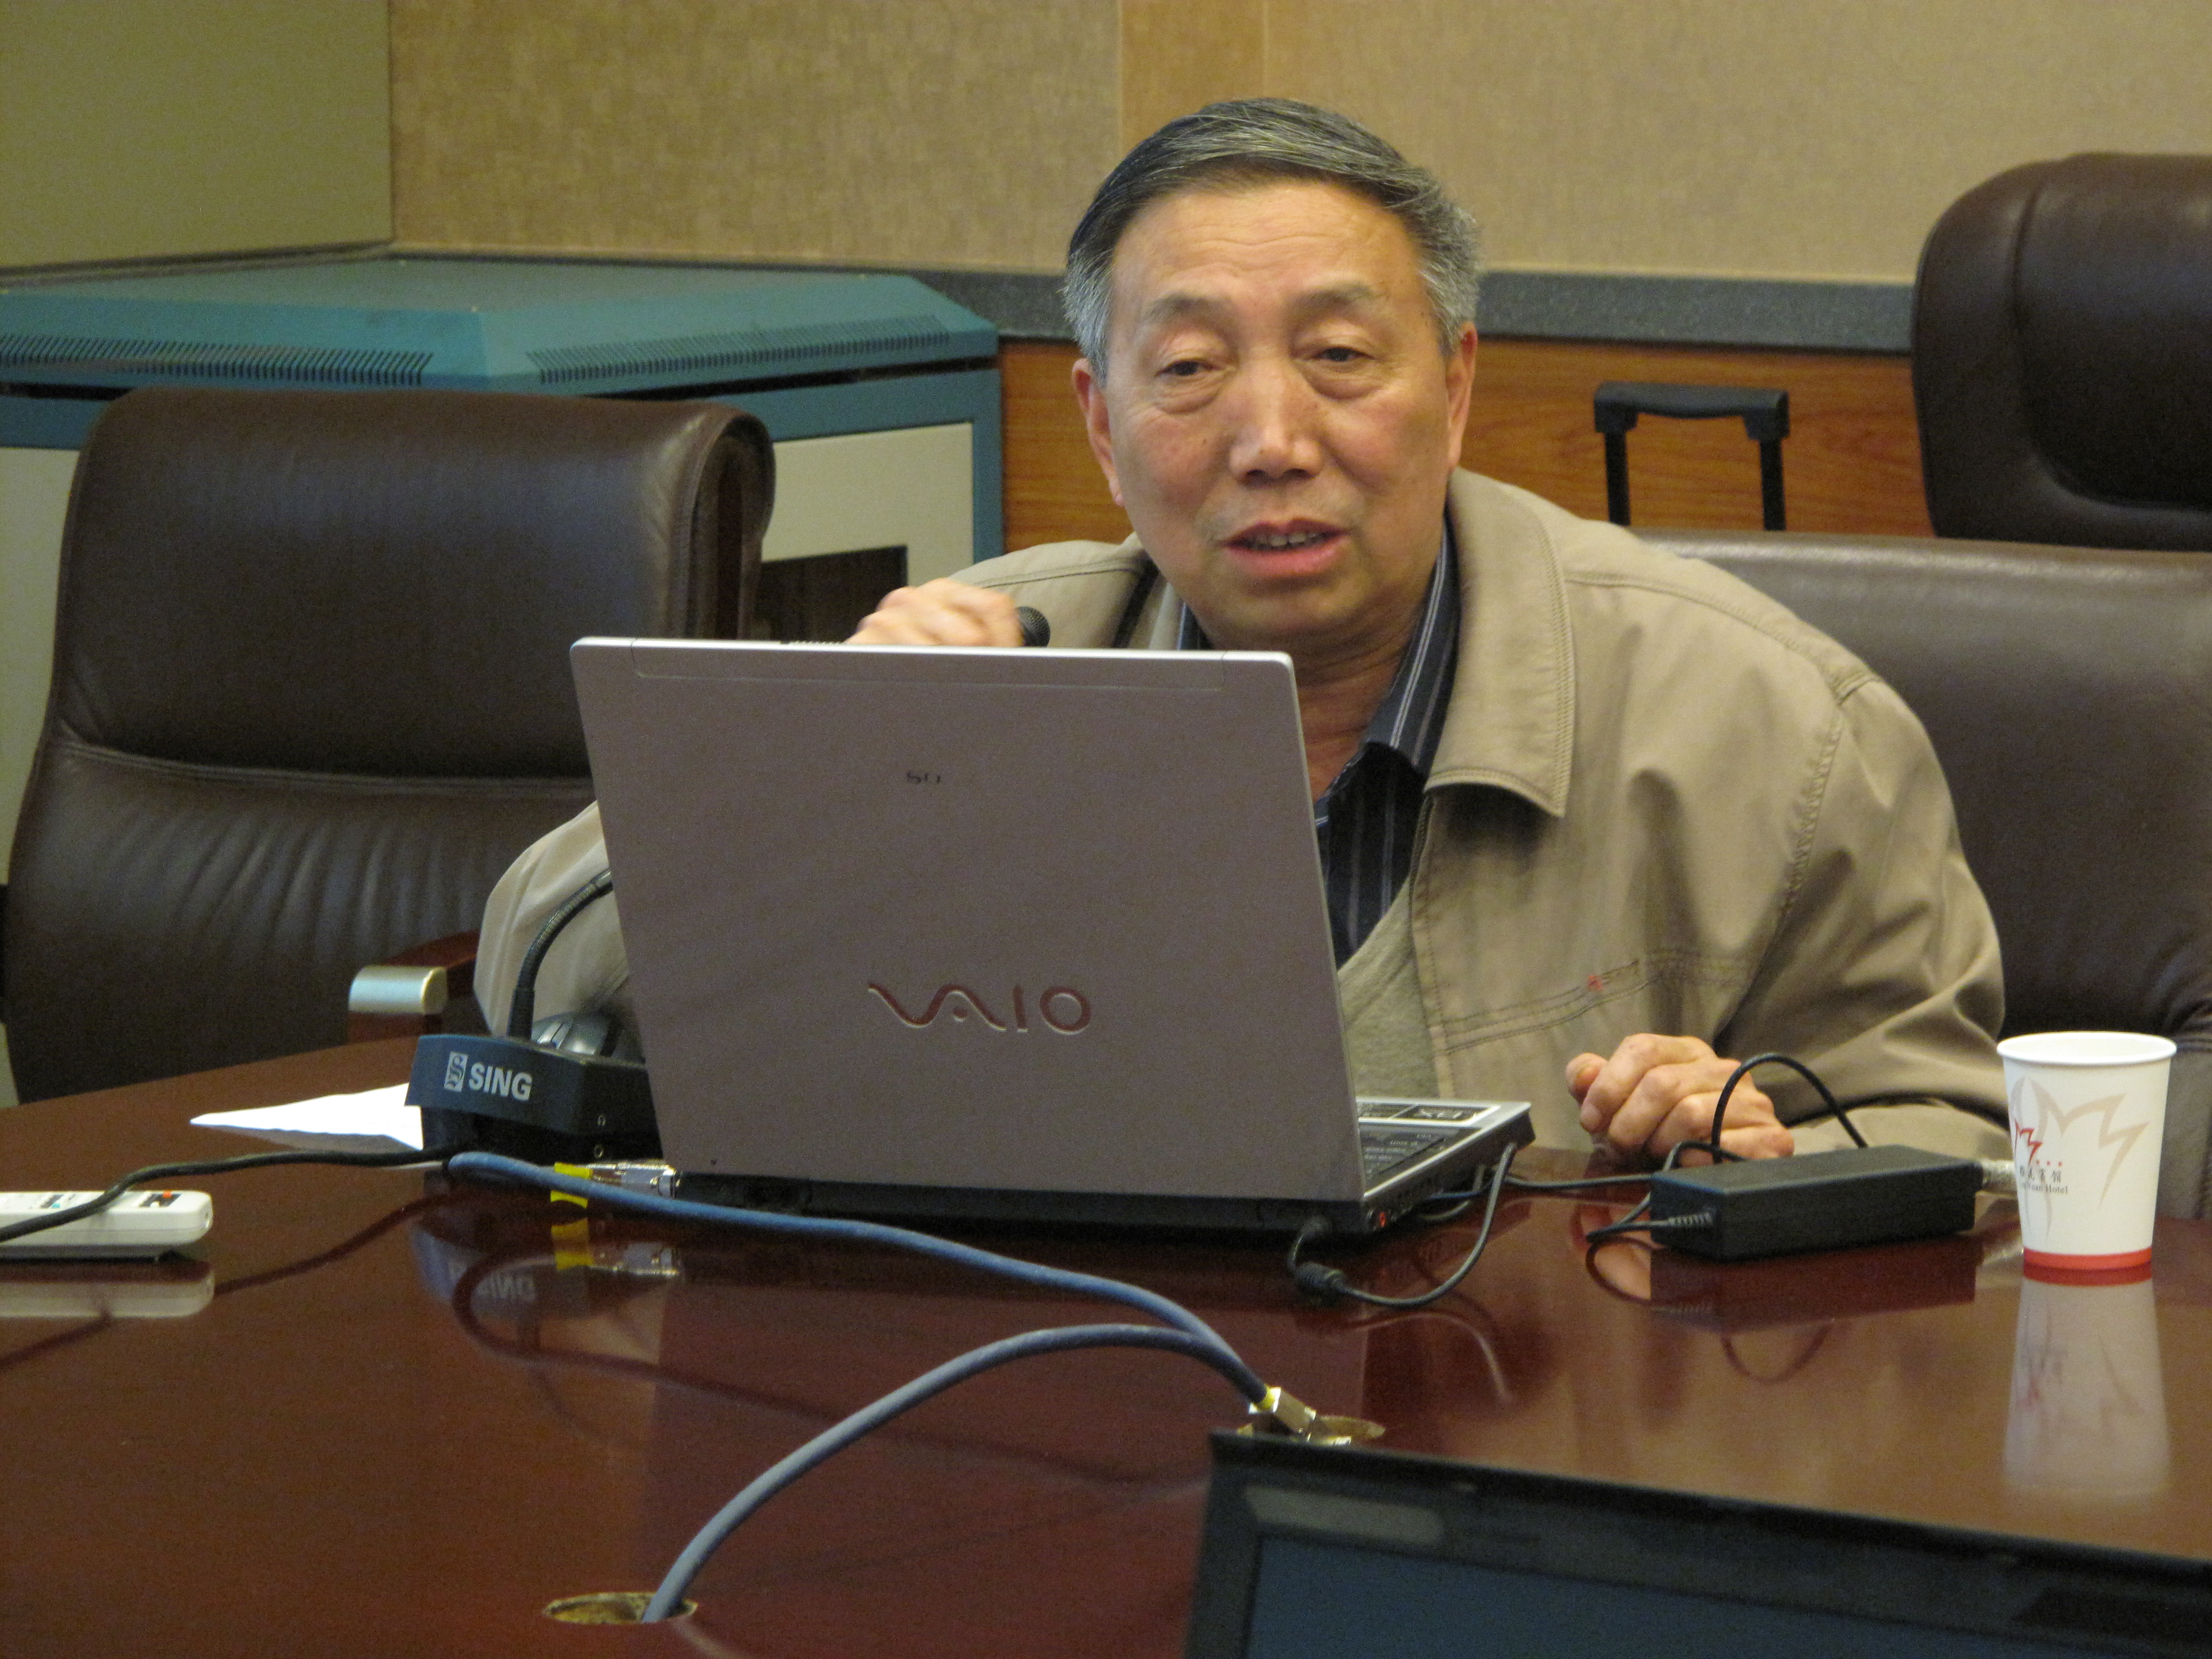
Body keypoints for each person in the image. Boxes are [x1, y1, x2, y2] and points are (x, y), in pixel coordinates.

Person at [479, 99, 2009, 1166]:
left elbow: (1969, 1150)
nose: (1272, 440)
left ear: (1457, 387)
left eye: (1339, 356)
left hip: (1551, 1436)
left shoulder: (1769, 722)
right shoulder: (999, 656)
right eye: (1192, 370)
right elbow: (536, 990)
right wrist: (812, 766)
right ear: (1100, 424)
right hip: (1072, 1407)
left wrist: (1767, 1151)